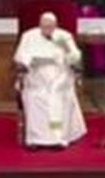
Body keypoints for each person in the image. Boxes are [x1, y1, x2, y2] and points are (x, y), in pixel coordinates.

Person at [14, 12, 87, 149]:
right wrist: (25, 64)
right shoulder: (29, 36)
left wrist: (67, 49)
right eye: (44, 26)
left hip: (60, 75)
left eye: (49, 27)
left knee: (55, 99)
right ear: (39, 25)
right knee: (35, 97)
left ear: (55, 26)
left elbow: (76, 58)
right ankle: (35, 138)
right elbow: (21, 57)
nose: (46, 29)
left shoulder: (64, 36)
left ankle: (57, 137)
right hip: (35, 75)